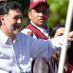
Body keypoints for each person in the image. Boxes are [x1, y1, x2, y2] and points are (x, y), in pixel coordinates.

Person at [0, 1, 73, 73]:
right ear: (2, 19)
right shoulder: (27, 33)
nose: (19, 21)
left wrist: (68, 37)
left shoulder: (24, 39)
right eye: (15, 18)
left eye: (21, 17)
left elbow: (47, 46)